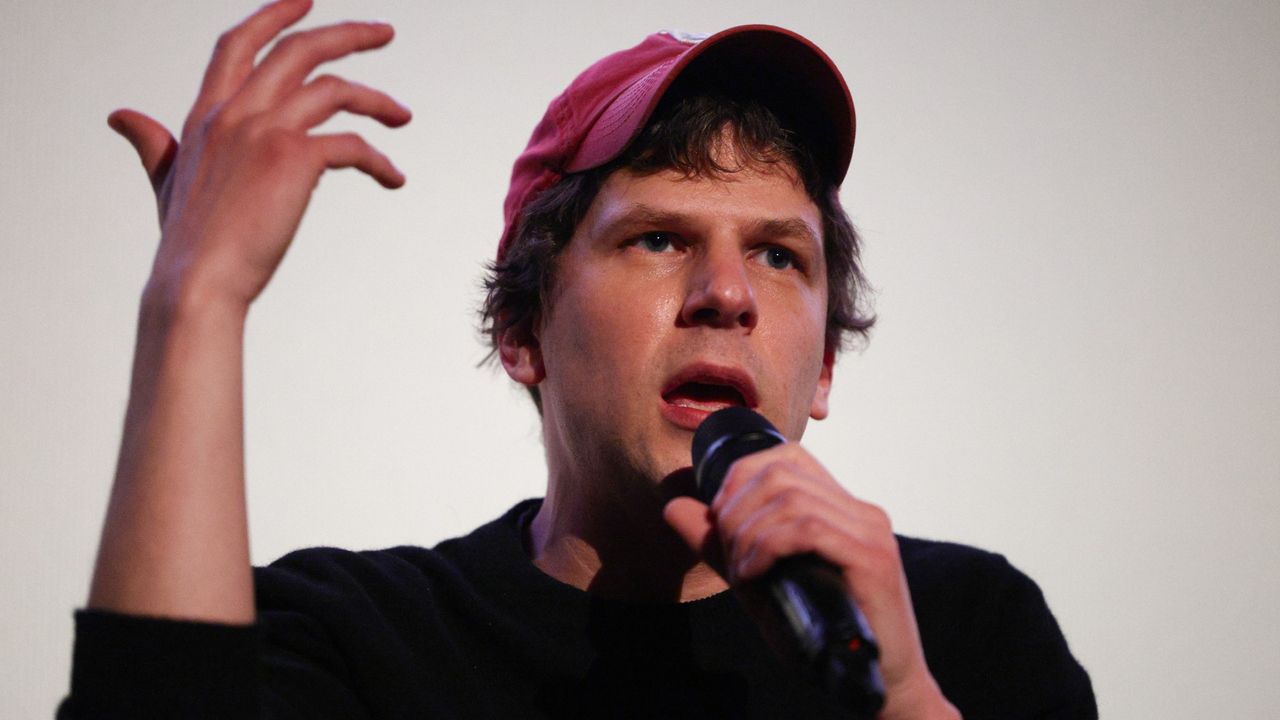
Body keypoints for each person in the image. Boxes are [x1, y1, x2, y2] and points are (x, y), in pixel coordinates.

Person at [60, 1, 1096, 717]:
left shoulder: (965, 631)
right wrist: (195, 303)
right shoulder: (361, 641)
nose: (727, 295)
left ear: (822, 366)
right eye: (657, 239)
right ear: (521, 331)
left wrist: (902, 700)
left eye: (778, 255)